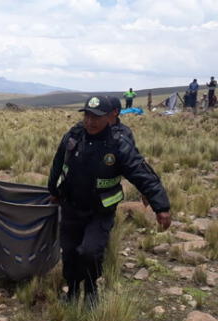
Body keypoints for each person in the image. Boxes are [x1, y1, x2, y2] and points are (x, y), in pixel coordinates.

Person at [48, 95, 171, 306]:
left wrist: (160, 205)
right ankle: (73, 290)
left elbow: (141, 173)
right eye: (87, 115)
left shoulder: (118, 143)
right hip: (71, 206)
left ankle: (91, 290)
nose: (90, 121)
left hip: (100, 210)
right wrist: (53, 189)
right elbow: (58, 162)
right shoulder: (74, 135)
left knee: (89, 252)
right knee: (69, 251)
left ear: (109, 117)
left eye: (96, 116)